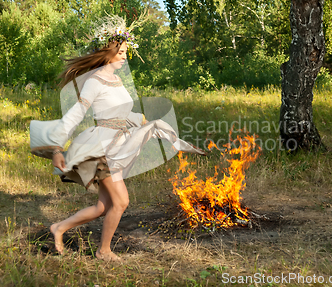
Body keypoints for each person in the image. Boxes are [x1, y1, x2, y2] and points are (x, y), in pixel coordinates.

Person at [29, 15, 205, 261]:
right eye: (121, 52)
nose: (125, 56)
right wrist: (56, 149)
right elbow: (76, 114)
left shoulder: (117, 79)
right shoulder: (94, 81)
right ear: (108, 52)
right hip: (101, 149)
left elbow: (120, 111)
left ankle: (58, 228)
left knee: (104, 207)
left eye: (125, 51)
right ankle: (104, 251)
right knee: (121, 201)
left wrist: (143, 121)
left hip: (117, 147)